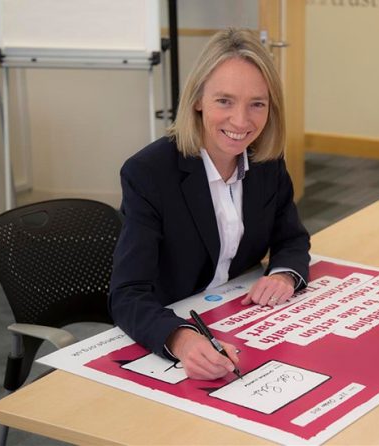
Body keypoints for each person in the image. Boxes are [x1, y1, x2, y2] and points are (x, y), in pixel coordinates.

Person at [109, 28, 310, 381]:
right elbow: (127, 294)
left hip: (237, 320)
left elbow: (291, 238)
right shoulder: (149, 173)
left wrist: (283, 274)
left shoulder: (266, 162)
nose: (241, 121)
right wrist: (181, 339)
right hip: (171, 328)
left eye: (257, 104)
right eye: (225, 101)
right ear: (198, 99)